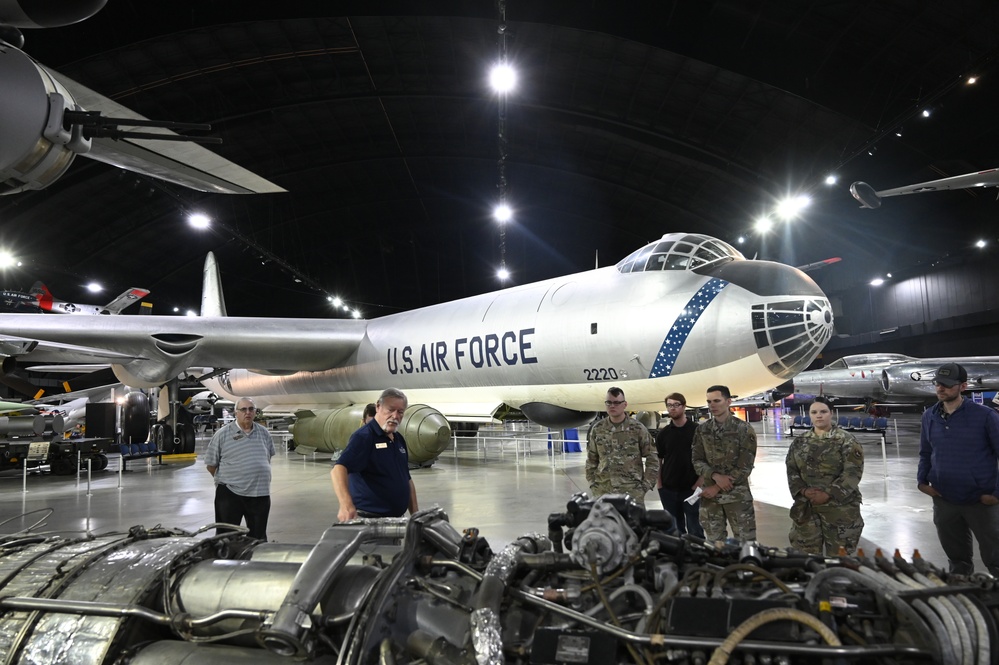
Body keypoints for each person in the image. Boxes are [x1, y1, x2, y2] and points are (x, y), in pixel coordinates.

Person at [917, 362, 999, 576]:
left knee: (995, 558)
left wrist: (997, 494)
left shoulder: (985, 416)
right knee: (957, 560)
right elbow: (926, 452)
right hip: (944, 500)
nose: (940, 388)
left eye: (947, 384)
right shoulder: (929, 417)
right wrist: (922, 482)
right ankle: (963, 597)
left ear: (963, 386)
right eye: (937, 383)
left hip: (981, 501)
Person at [785, 396, 864, 555]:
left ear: (831, 413)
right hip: (808, 508)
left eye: (823, 411)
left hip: (840, 510)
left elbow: (853, 472)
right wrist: (803, 491)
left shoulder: (845, 440)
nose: (818, 415)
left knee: (840, 557)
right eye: (814, 412)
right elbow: (792, 469)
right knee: (806, 557)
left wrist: (829, 494)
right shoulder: (800, 442)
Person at [332, 388, 419, 520]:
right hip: (370, 521)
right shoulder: (364, 437)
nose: (395, 416)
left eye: (400, 412)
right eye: (390, 410)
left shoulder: (398, 439)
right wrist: (346, 505)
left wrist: (416, 514)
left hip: (396, 520)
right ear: (378, 407)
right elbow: (338, 469)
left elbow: (406, 478)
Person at [691, 385, 757, 542]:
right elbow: (696, 460)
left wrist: (717, 486)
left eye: (716, 400)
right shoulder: (702, 430)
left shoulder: (743, 429)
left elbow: (745, 466)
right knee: (714, 545)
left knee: (746, 544)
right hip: (710, 500)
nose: (712, 405)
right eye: (709, 401)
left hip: (737, 497)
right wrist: (714, 476)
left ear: (728, 401)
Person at [204, 397, 275, 540]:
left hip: (260, 494)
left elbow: (267, 457)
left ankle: (254, 561)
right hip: (231, 494)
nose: (247, 412)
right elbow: (211, 465)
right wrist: (228, 480)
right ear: (236, 413)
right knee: (226, 538)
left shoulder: (264, 433)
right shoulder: (222, 434)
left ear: (255, 412)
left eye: (251, 409)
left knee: (258, 538)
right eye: (243, 409)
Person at [585, 387, 659, 506]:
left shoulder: (638, 429)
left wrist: (645, 485)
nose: (612, 406)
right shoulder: (597, 429)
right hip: (603, 492)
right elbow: (591, 459)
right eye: (609, 402)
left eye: (616, 402)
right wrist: (592, 484)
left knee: (632, 525)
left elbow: (652, 458)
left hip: (632, 493)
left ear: (625, 404)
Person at [655, 392, 703, 536]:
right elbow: (659, 460)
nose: (672, 408)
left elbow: (707, 459)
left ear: (683, 406)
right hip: (668, 490)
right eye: (669, 405)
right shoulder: (663, 434)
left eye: (676, 405)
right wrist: (660, 485)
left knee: (695, 528)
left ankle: (697, 556)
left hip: (691, 489)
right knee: (674, 530)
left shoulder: (697, 431)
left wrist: (699, 484)